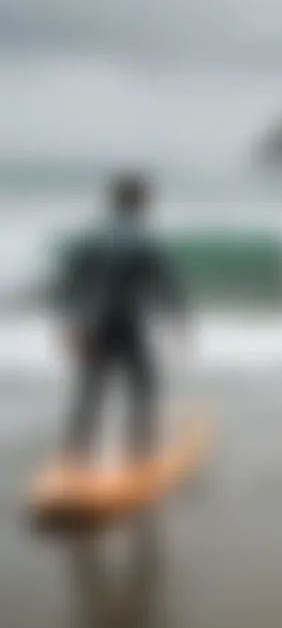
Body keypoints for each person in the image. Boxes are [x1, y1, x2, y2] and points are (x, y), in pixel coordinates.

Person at [54, 171, 187, 465]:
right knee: (143, 386)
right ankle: (139, 452)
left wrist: (69, 324)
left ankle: (77, 453)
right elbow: (165, 284)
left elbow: (69, 284)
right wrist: (180, 321)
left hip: (94, 323)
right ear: (141, 202)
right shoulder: (144, 240)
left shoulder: (91, 237)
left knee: (91, 389)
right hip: (127, 322)